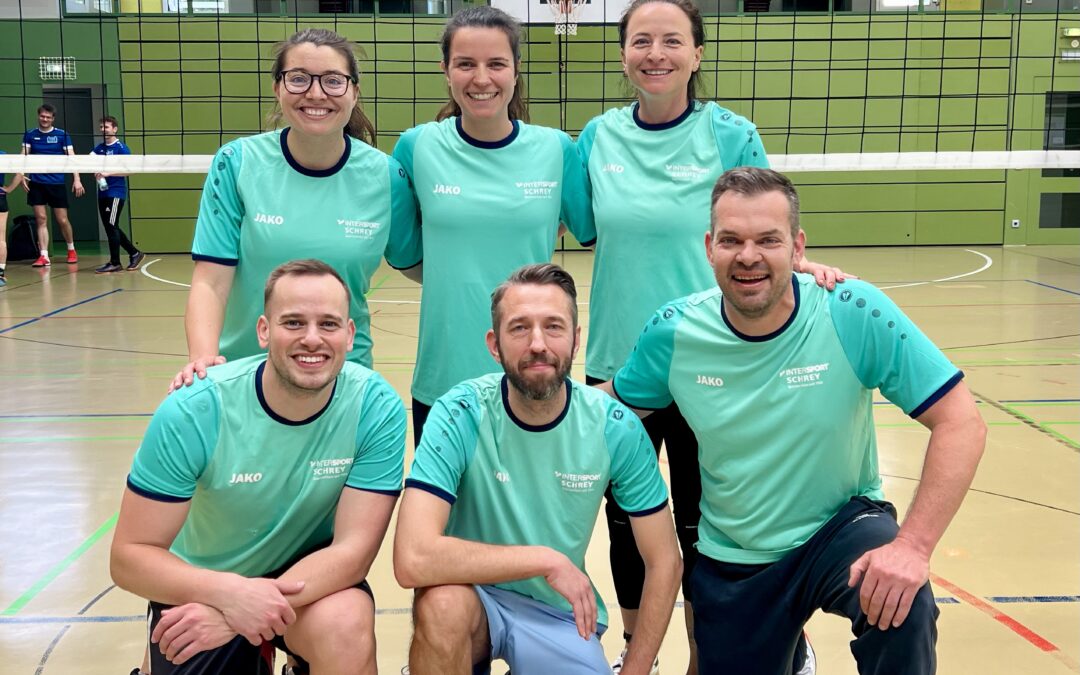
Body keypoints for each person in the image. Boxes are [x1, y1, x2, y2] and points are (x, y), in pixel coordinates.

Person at [602, 167, 987, 674]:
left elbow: (961, 421)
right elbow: (605, 409)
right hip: (737, 552)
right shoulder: (675, 331)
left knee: (901, 602)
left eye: (768, 240)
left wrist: (913, 547)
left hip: (840, 527)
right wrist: (518, 391)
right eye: (731, 240)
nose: (748, 256)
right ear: (709, 248)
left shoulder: (851, 310)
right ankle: (790, 648)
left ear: (797, 247)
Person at [576, 1, 846, 670]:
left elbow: (764, 224)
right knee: (626, 520)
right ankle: (636, 651)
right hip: (619, 363)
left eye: (673, 41)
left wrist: (805, 265)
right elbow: (578, 226)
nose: (656, 53)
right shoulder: (597, 137)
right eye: (641, 41)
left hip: (716, 360)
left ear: (697, 54)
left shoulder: (731, 134)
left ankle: (711, 653)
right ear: (623, 56)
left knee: (710, 521)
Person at [111, 259, 407, 675]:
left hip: (309, 579)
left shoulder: (375, 407)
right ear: (263, 331)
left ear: (350, 334)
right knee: (181, 646)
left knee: (345, 624)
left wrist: (246, 610)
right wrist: (229, 597)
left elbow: (352, 552)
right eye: (293, 323)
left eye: (328, 324)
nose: (312, 339)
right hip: (207, 582)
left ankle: (294, 659)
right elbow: (129, 556)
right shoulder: (194, 409)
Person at [394, 263, 681, 675]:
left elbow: (664, 561)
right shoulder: (460, 412)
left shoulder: (613, 426)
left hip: (557, 613)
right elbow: (412, 558)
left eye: (553, 326)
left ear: (576, 340)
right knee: (441, 607)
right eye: (519, 328)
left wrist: (635, 668)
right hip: (471, 596)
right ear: (494, 345)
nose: (537, 344)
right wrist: (545, 561)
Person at [171, 27, 420, 391]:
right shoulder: (237, 163)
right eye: (299, 78)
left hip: (344, 380)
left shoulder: (386, 176)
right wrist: (203, 360)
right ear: (277, 88)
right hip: (246, 378)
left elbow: (427, 267)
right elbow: (210, 282)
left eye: (333, 81)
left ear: (354, 92)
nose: (316, 93)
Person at [392, 6, 595, 444]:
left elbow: (592, 229)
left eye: (496, 64)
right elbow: (407, 256)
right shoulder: (417, 146)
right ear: (446, 70)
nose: (481, 78)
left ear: (516, 70)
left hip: (533, 374)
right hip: (444, 376)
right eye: (466, 64)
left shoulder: (556, 149)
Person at [21, 103, 85, 267]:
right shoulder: (30, 134)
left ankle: (71, 249)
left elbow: (72, 157)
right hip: (37, 183)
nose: (45, 119)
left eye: (48, 117)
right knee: (41, 219)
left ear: (53, 119)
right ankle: (44, 255)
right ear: (38, 116)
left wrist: (77, 179)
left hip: (56, 183)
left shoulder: (62, 135)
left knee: (62, 220)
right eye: (42, 116)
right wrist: (21, 175)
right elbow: (23, 157)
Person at [91, 116, 144, 274]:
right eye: (101, 127)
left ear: (115, 129)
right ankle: (135, 253)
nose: (103, 130)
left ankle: (115, 262)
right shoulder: (99, 148)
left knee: (111, 225)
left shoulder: (121, 148)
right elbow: (86, 160)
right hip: (103, 192)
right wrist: (94, 171)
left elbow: (131, 170)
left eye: (106, 127)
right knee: (110, 226)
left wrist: (108, 173)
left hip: (116, 193)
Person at [0, 152, 24, 287]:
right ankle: (0, 275)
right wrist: (8, 189)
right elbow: (20, 173)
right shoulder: (3, 155)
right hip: (0, 196)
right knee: (1, 238)